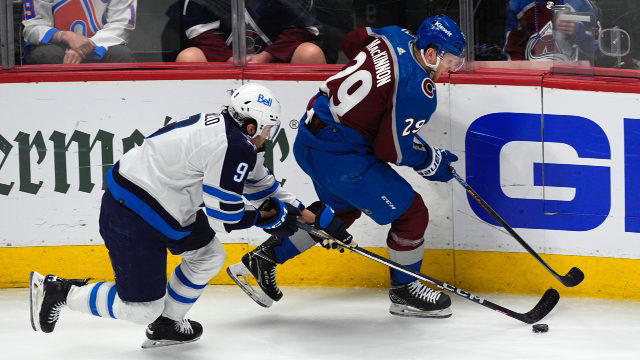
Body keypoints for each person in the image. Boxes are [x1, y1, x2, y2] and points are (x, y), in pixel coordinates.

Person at [29, 83, 351, 348]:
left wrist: (312, 218)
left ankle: (167, 324)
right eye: (267, 128)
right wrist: (266, 219)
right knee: (141, 310)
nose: (269, 134)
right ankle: (60, 291)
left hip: (165, 204)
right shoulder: (234, 146)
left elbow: (263, 186)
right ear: (251, 125)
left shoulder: (236, 137)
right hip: (132, 212)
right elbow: (225, 215)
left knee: (209, 256)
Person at [228, 15, 466, 318]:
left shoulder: (393, 33)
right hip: (341, 159)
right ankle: (405, 291)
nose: (450, 70)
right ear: (430, 54)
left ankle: (262, 261)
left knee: (338, 215)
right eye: (450, 61)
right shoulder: (418, 91)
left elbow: (352, 40)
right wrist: (430, 162)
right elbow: (389, 148)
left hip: (309, 135)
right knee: (412, 214)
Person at [173, 0, 326, 64]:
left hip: (277, 63)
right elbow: (199, 32)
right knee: (189, 57)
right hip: (223, 65)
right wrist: (228, 59)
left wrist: (266, 57)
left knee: (310, 53)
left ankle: (307, 122)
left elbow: (300, 28)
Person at [22, 0, 137, 64]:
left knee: (121, 55)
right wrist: (65, 36)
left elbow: (121, 24)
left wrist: (84, 47)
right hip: (56, 46)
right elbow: (32, 26)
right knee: (47, 56)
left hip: (99, 46)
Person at [503, 0, 600, 61]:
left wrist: (578, 32)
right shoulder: (518, 5)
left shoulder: (581, 4)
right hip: (532, 80)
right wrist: (523, 77)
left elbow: (599, 50)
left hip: (572, 79)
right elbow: (511, 50)